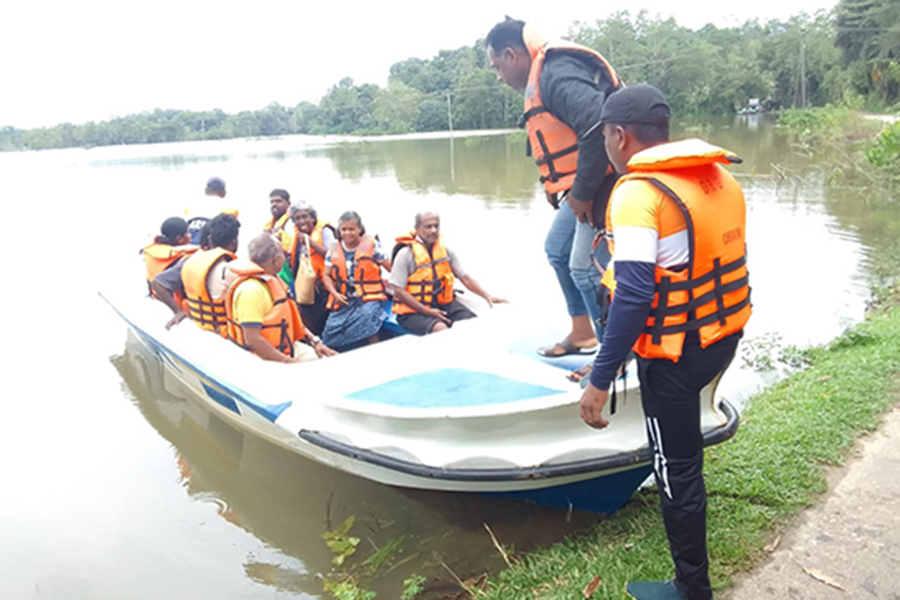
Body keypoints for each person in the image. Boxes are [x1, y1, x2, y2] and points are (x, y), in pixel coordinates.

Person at [579, 85, 751, 600]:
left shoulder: (637, 192)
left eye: (605, 138)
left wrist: (599, 378)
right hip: (720, 334)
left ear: (618, 135)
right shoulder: (715, 175)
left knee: (675, 471)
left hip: (676, 356)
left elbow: (633, 294)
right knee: (684, 454)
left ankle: (691, 589)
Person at [486, 17, 622, 375]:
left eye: (497, 66)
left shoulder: (555, 73)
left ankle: (614, 358)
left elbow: (598, 127)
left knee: (584, 266)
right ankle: (582, 333)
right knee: (557, 249)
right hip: (585, 183)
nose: (498, 77)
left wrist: (580, 192)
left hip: (608, 183)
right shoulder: (544, 76)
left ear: (512, 55)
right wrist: (560, 187)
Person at [389, 212, 507, 335]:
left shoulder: (445, 251)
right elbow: (398, 290)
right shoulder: (405, 255)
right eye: (428, 227)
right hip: (412, 311)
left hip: (443, 304)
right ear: (417, 228)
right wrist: (426, 311)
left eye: (436, 226)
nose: (433, 230)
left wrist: (487, 296)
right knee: (441, 329)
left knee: (472, 323)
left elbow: (464, 277)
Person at [225, 234, 336, 362]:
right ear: (276, 259)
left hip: (286, 345)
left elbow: (291, 319)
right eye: (283, 254)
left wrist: (315, 341)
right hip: (260, 358)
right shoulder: (251, 291)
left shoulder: (272, 280)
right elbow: (252, 340)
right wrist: (287, 362)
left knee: (327, 360)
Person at [151, 213, 240, 332]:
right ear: (234, 242)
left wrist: (178, 311)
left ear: (209, 239)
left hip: (199, 321)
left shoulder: (191, 260)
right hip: (222, 330)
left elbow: (157, 282)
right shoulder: (232, 270)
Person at [320, 211, 392, 351]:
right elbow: (326, 276)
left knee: (368, 319)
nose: (347, 233)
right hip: (344, 298)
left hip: (368, 297)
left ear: (359, 229)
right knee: (330, 330)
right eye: (344, 229)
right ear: (339, 231)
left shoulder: (372, 245)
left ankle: (377, 352)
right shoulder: (334, 249)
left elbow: (391, 267)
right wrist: (335, 294)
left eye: (351, 229)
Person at [288, 203, 336, 336]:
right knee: (308, 315)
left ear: (313, 218)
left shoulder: (325, 232)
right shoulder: (297, 235)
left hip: (324, 285)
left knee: (325, 319)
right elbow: (291, 256)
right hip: (306, 286)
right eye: (297, 218)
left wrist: (311, 243)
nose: (301, 221)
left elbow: (333, 255)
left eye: (305, 217)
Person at [142, 217, 197, 296]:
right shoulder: (182, 258)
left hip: (156, 297)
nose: (190, 235)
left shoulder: (151, 251)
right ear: (180, 239)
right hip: (174, 302)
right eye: (188, 232)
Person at [184, 177, 239, 245]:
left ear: (205, 191)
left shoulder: (191, 206)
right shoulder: (229, 209)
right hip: (208, 250)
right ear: (224, 193)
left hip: (188, 247)